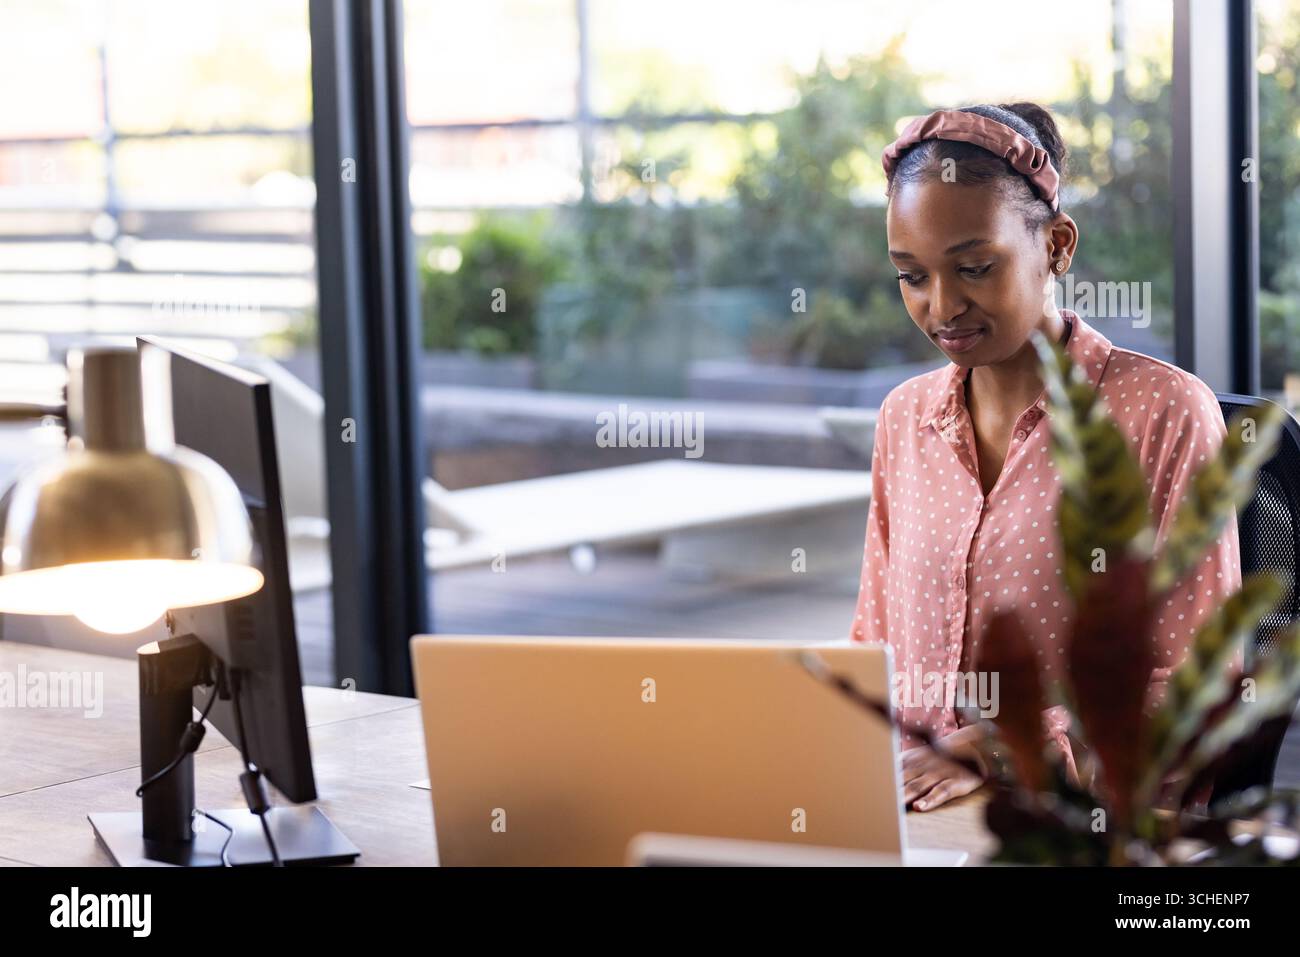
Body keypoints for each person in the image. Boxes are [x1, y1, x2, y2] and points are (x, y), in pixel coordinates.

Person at [850, 102, 1242, 811]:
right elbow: (872, 644)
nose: (942, 307)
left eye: (974, 267)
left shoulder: (1162, 414)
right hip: (916, 821)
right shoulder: (903, 419)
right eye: (911, 275)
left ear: (1057, 247)